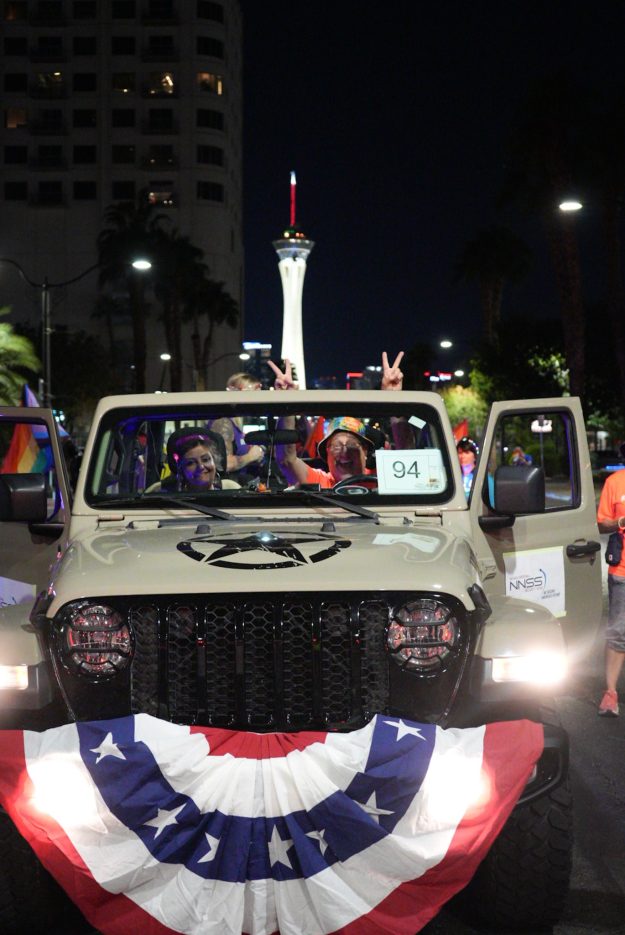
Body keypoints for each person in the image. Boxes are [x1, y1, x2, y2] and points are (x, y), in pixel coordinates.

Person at [267, 352, 404, 488]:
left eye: (351, 445)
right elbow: (286, 460)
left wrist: (394, 399)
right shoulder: (320, 482)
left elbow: (408, 456)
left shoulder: (383, 478)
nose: (344, 451)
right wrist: (287, 402)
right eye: (336, 445)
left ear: (365, 451)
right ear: (327, 453)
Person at [596, 446, 625, 716]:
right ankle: (611, 693)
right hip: (622, 572)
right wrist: (620, 521)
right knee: (618, 633)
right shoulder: (614, 483)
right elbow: (601, 523)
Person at [209, 372, 265, 479]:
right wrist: (251, 456)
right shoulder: (223, 422)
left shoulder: (236, 423)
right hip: (227, 490)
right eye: (252, 395)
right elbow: (223, 464)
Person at [156, 428, 239, 492]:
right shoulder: (162, 495)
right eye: (191, 463)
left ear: (215, 461)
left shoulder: (232, 490)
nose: (201, 466)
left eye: (206, 459)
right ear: (181, 469)